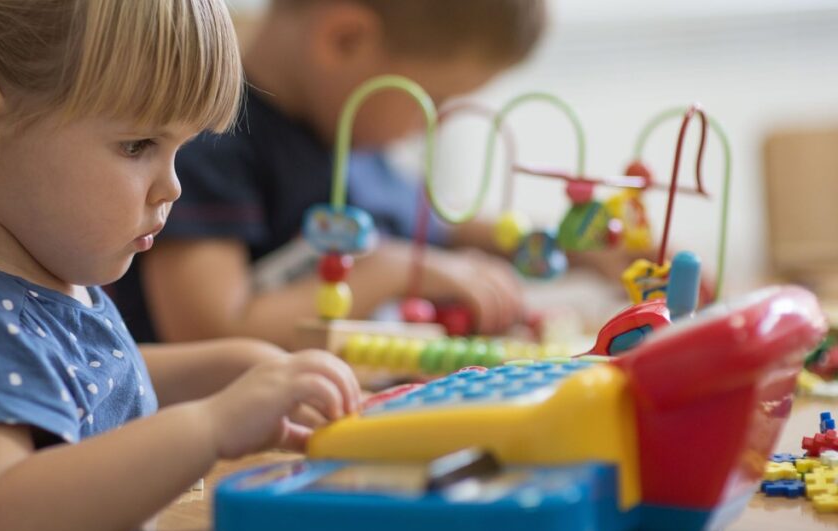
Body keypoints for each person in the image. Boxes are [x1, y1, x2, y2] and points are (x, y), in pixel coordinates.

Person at [0, 1, 358, 531]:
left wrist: (240, 365)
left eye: (181, 149)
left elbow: (79, 381)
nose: (173, 187)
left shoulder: (23, 276)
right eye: (138, 145)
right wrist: (209, 427)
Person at [112, 0, 547, 348]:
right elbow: (211, 330)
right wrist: (394, 272)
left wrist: (567, 245)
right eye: (434, 97)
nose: (438, 123)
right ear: (345, 41)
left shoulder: (344, 129)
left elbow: (441, 227)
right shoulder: (206, 138)